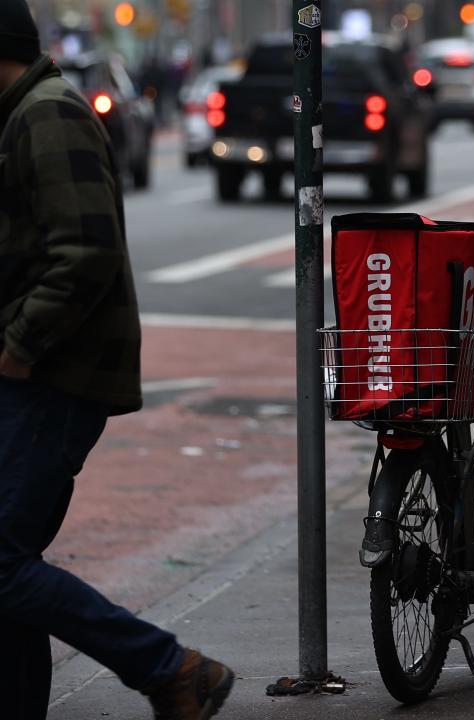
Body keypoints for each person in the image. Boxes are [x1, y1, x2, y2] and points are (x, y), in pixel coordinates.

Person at [0, 2, 234, 718]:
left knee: (2, 564)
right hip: (42, 375)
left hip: (52, 377)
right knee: (10, 568)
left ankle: (170, 668)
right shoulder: (22, 114)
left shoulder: (47, 113)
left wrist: (19, 349)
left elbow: (87, 251)